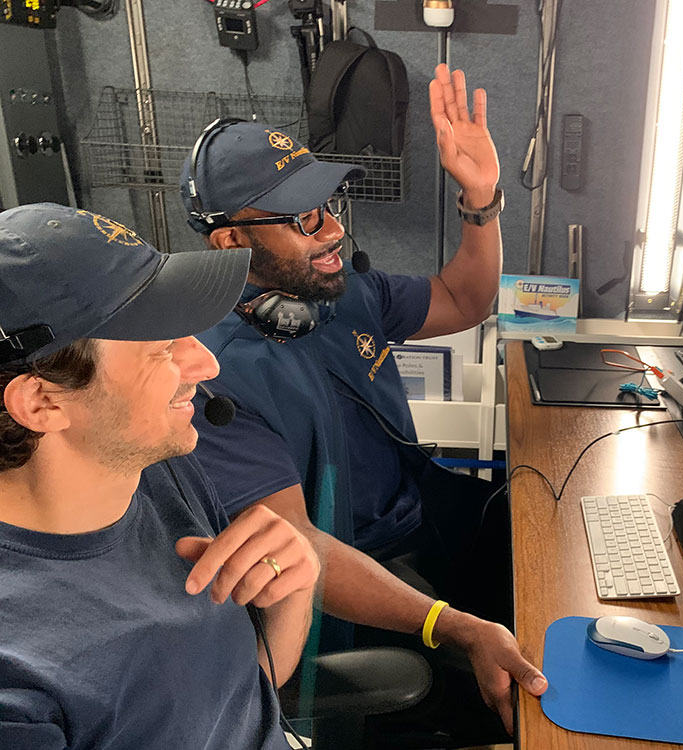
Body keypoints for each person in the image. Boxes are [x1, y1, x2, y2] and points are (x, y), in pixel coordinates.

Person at [178, 63, 545, 740]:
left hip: (423, 516)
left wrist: (483, 199)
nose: (333, 233)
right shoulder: (206, 378)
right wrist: (454, 627)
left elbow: (466, 298)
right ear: (230, 240)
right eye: (306, 217)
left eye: (330, 208)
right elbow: (302, 549)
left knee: (546, 555)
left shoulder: (339, 290)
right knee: (533, 703)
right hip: (357, 590)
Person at [0, 203, 322, 749]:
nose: (207, 365)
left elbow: (239, 694)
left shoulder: (160, 472)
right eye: (165, 347)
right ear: (43, 402)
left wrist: (297, 587)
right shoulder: (18, 671)